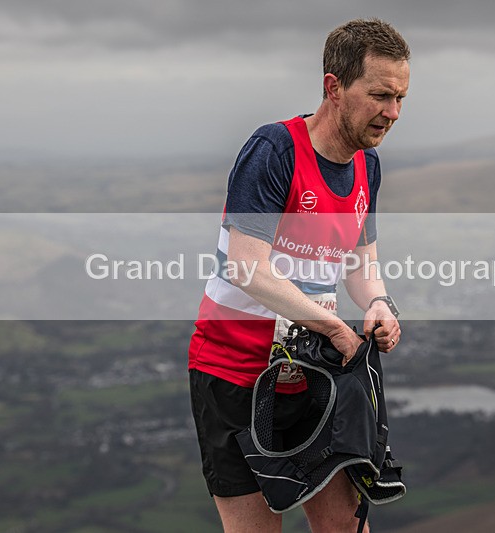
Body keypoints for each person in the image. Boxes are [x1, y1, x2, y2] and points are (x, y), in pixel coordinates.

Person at [188, 18, 410, 533]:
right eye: (380, 95)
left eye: (400, 97)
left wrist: (379, 304)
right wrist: (333, 327)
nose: (392, 112)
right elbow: (245, 266)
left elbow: (360, 264)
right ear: (334, 87)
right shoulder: (275, 150)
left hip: (313, 376)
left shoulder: (366, 167)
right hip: (235, 373)